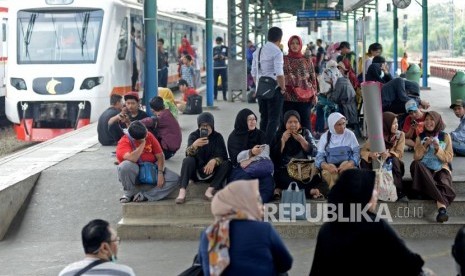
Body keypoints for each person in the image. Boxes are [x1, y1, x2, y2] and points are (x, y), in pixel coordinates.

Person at [309, 169, 425, 276]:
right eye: (373, 189)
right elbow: (410, 263)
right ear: (362, 194)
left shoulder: (327, 229)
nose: (376, 193)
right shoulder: (376, 226)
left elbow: (316, 271)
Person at [198, 179, 293, 276]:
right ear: (245, 202)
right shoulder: (264, 230)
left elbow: (205, 268)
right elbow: (286, 264)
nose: (261, 206)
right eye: (256, 200)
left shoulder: (208, 233)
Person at [408, 111, 456, 223]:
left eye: (432, 119)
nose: (429, 122)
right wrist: (425, 145)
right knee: (416, 164)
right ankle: (442, 207)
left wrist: (437, 149)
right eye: (427, 120)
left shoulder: (445, 136)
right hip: (425, 170)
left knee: (444, 181)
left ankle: (441, 210)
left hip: (440, 168)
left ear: (438, 121)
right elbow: (416, 157)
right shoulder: (420, 137)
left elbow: (448, 158)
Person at [116, 121, 180, 203]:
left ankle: (146, 195)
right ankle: (129, 193)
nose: (147, 136)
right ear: (135, 138)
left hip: (152, 168)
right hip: (135, 173)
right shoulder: (124, 141)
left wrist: (160, 173)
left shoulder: (148, 134)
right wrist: (143, 143)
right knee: (125, 166)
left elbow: (160, 156)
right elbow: (133, 158)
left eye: (146, 133)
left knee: (174, 178)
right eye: (144, 137)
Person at [175, 112, 231, 203]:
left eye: (208, 126)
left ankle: (209, 191)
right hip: (195, 173)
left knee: (227, 164)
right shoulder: (194, 135)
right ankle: (182, 192)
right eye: (203, 126)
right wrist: (194, 146)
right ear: (199, 126)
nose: (205, 128)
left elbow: (223, 156)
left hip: (212, 173)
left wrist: (214, 161)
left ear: (212, 126)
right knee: (188, 160)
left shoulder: (218, 137)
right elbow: (188, 154)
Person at [271, 110, 322, 199]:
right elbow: (274, 157)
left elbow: (314, 152)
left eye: (296, 122)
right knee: (286, 179)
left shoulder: (305, 132)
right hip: (285, 169)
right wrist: (283, 141)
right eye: (290, 122)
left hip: (303, 169)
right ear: (285, 123)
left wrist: (302, 141)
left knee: (315, 177)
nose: (293, 125)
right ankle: (309, 191)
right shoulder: (279, 134)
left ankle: (281, 191)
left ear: (299, 123)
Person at [227, 108, 274, 203]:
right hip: (241, 168)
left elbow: (265, 152)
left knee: (267, 182)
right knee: (243, 180)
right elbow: (236, 158)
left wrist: (251, 159)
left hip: (259, 166)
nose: (253, 122)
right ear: (243, 121)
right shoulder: (234, 137)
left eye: (254, 119)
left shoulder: (260, 134)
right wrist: (250, 152)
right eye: (249, 119)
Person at [58, 219, 135, 276]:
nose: (117, 245)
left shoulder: (67, 273)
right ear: (104, 247)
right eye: (115, 240)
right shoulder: (124, 273)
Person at [360, 112, 407, 199]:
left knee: (395, 160)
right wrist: (370, 154)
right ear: (386, 124)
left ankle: (399, 190)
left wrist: (389, 154)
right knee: (364, 160)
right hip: (377, 163)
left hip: (392, 164)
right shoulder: (376, 136)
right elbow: (363, 151)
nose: (396, 125)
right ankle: (368, 190)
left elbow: (400, 153)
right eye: (393, 124)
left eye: (397, 123)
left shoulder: (400, 135)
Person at [251, 26, 285, 144]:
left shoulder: (258, 51)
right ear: (279, 39)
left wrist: (258, 87)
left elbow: (253, 73)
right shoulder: (277, 52)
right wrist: (283, 88)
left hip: (261, 90)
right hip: (274, 90)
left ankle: (261, 143)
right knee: (274, 120)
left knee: (264, 118)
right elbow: (280, 74)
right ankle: (267, 145)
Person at [283, 35, 318, 131]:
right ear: (289, 45)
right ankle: (287, 145)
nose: (295, 45)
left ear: (300, 45)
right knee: (287, 124)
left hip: (305, 97)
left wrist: (315, 94)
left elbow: (313, 77)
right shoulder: (283, 59)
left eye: (297, 43)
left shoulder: (306, 59)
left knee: (305, 123)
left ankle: (308, 144)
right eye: (292, 43)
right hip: (288, 97)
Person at [315, 112, 360, 189]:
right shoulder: (324, 137)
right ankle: (335, 192)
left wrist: (349, 164)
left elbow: (357, 153)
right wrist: (327, 167)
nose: (342, 127)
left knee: (346, 172)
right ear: (332, 126)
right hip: (330, 166)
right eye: (339, 124)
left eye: (344, 123)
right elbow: (319, 158)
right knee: (332, 175)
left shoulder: (350, 135)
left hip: (347, 164)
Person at [213, 36, 228, 101]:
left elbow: (228, 56)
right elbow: (211, 57)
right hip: (216, 67)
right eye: (217, 41)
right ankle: (215, 96)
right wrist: (215, 57)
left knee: (224, 83)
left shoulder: (225, 48)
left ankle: (224, 96)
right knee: (215, 83)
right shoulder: (214, 49)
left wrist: (224, 57)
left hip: (223, 67)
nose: (218, 42)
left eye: (219, 41)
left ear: (221, 42)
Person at [130, 26, 144, 91]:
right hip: (131, 60)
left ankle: (133, 87)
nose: (134, 34)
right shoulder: (129, 39)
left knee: (135, 74)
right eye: (133, 32)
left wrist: (144, 50)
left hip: (133, 60)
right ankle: (132, 87)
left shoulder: (132, 40)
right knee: (135, 74)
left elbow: (137, 46)